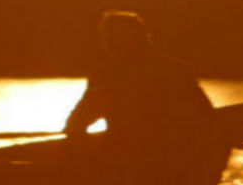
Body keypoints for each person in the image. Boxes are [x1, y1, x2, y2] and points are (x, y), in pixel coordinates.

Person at [62, 9, 215, 153]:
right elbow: (205, 118)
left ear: (140, 38)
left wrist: (74, 133)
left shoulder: (106, 74)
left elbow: (77, 123)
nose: (107, 43)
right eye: (107, 38)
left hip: (145, 148)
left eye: (114, 39)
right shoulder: (177, 69)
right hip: (153, 148)